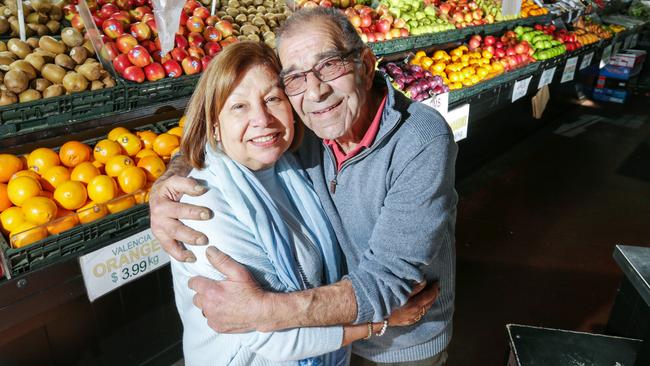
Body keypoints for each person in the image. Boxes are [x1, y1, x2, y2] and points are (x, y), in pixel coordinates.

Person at [151, 7, 458, 366]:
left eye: (329, 65)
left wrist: (267, 310)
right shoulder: (305, 132)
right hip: (334, 340)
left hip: (403, 338)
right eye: (295, 78)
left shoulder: (419, 138)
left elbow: (388, 282)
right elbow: (216, 135)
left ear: (366, 63)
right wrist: (168, 181)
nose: (315, 91)